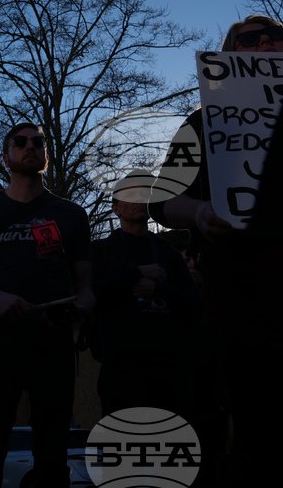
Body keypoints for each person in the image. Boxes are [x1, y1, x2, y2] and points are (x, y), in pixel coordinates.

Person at [149, 16, 283, 487]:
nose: (267, 43)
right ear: (230, 53)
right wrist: (201, 211)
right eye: (252, 39)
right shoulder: (203, 122)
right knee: (251, 430)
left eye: (276, 38)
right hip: (238, 299)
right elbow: (163, 198)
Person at [0, 123, 94, 488]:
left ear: (46, 154)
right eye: (21, 142)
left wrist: (74, 310)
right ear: (5, 156)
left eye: (38, 142)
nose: (31, 146)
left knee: (52, 458)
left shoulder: (72, 214)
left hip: (54, 348)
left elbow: (86, 291)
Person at [91, 174, 201, 420]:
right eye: (130, 194)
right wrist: (134, 273)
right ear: (115, 209)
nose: (139, 199)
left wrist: (159, 290)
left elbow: (194, 305)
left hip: (171, 370)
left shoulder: (169, 253)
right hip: (121, 370)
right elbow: (90, 295)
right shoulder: (101, 250)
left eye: (144, 194)